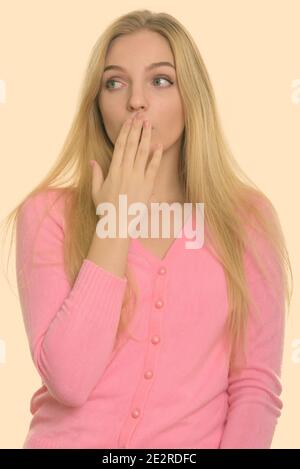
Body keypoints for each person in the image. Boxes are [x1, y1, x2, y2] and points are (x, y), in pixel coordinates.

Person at [1, 9, 293, 449]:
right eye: (115, 83)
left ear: (191, 96)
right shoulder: (47, 215)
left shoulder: (247, 220)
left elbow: (254, 388)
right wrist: (115, 220)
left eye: (160, 80)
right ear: (97, 104)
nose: (136, 101)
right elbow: (69, 379)